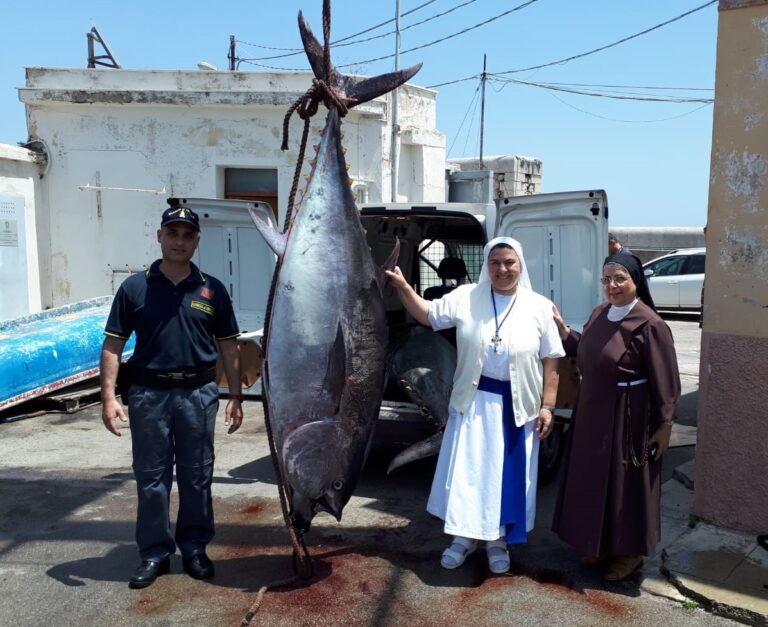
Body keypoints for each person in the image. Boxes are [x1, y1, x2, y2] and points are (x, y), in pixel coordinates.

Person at [386, 237, 563, 574]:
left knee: (501, 480)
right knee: (470, 477)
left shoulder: (539, 306)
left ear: (520, 264)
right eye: (495, 262)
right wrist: (403, 287)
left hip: (517, 408)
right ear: (487, 265)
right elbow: (426, 315)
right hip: (473, 404)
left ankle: (497, 543)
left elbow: (552, 361)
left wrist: (548, 407)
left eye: (509, 262)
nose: (503, 269)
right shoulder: (467, 297)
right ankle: (462, 539)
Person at [99, 204, 244, 589]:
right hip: (149, 395)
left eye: (187, 235)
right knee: (151, 478)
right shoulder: (134, 288)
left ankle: (195, 548)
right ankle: (155, 554)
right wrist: (109, 398)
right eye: (173, 233)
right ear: (160, 236)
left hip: (198, 394)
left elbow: (230, 347)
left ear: (196, 241)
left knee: (197, 477)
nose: (180, 241)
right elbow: (113, 345)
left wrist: (234, 394)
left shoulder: (212, 289)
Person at [551, 251, 680, 581]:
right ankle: (600, 543)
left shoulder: (650, 324)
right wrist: (565, 332)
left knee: (627, 484)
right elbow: (587, 351)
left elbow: (666, 378)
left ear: (635, 281)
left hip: (629, 415)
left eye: (619, 278)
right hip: (592, 413)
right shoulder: (599, 313)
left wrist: (665, 425)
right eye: (606, 279)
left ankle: (630, 552)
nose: (612, 285)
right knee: (594, 479)